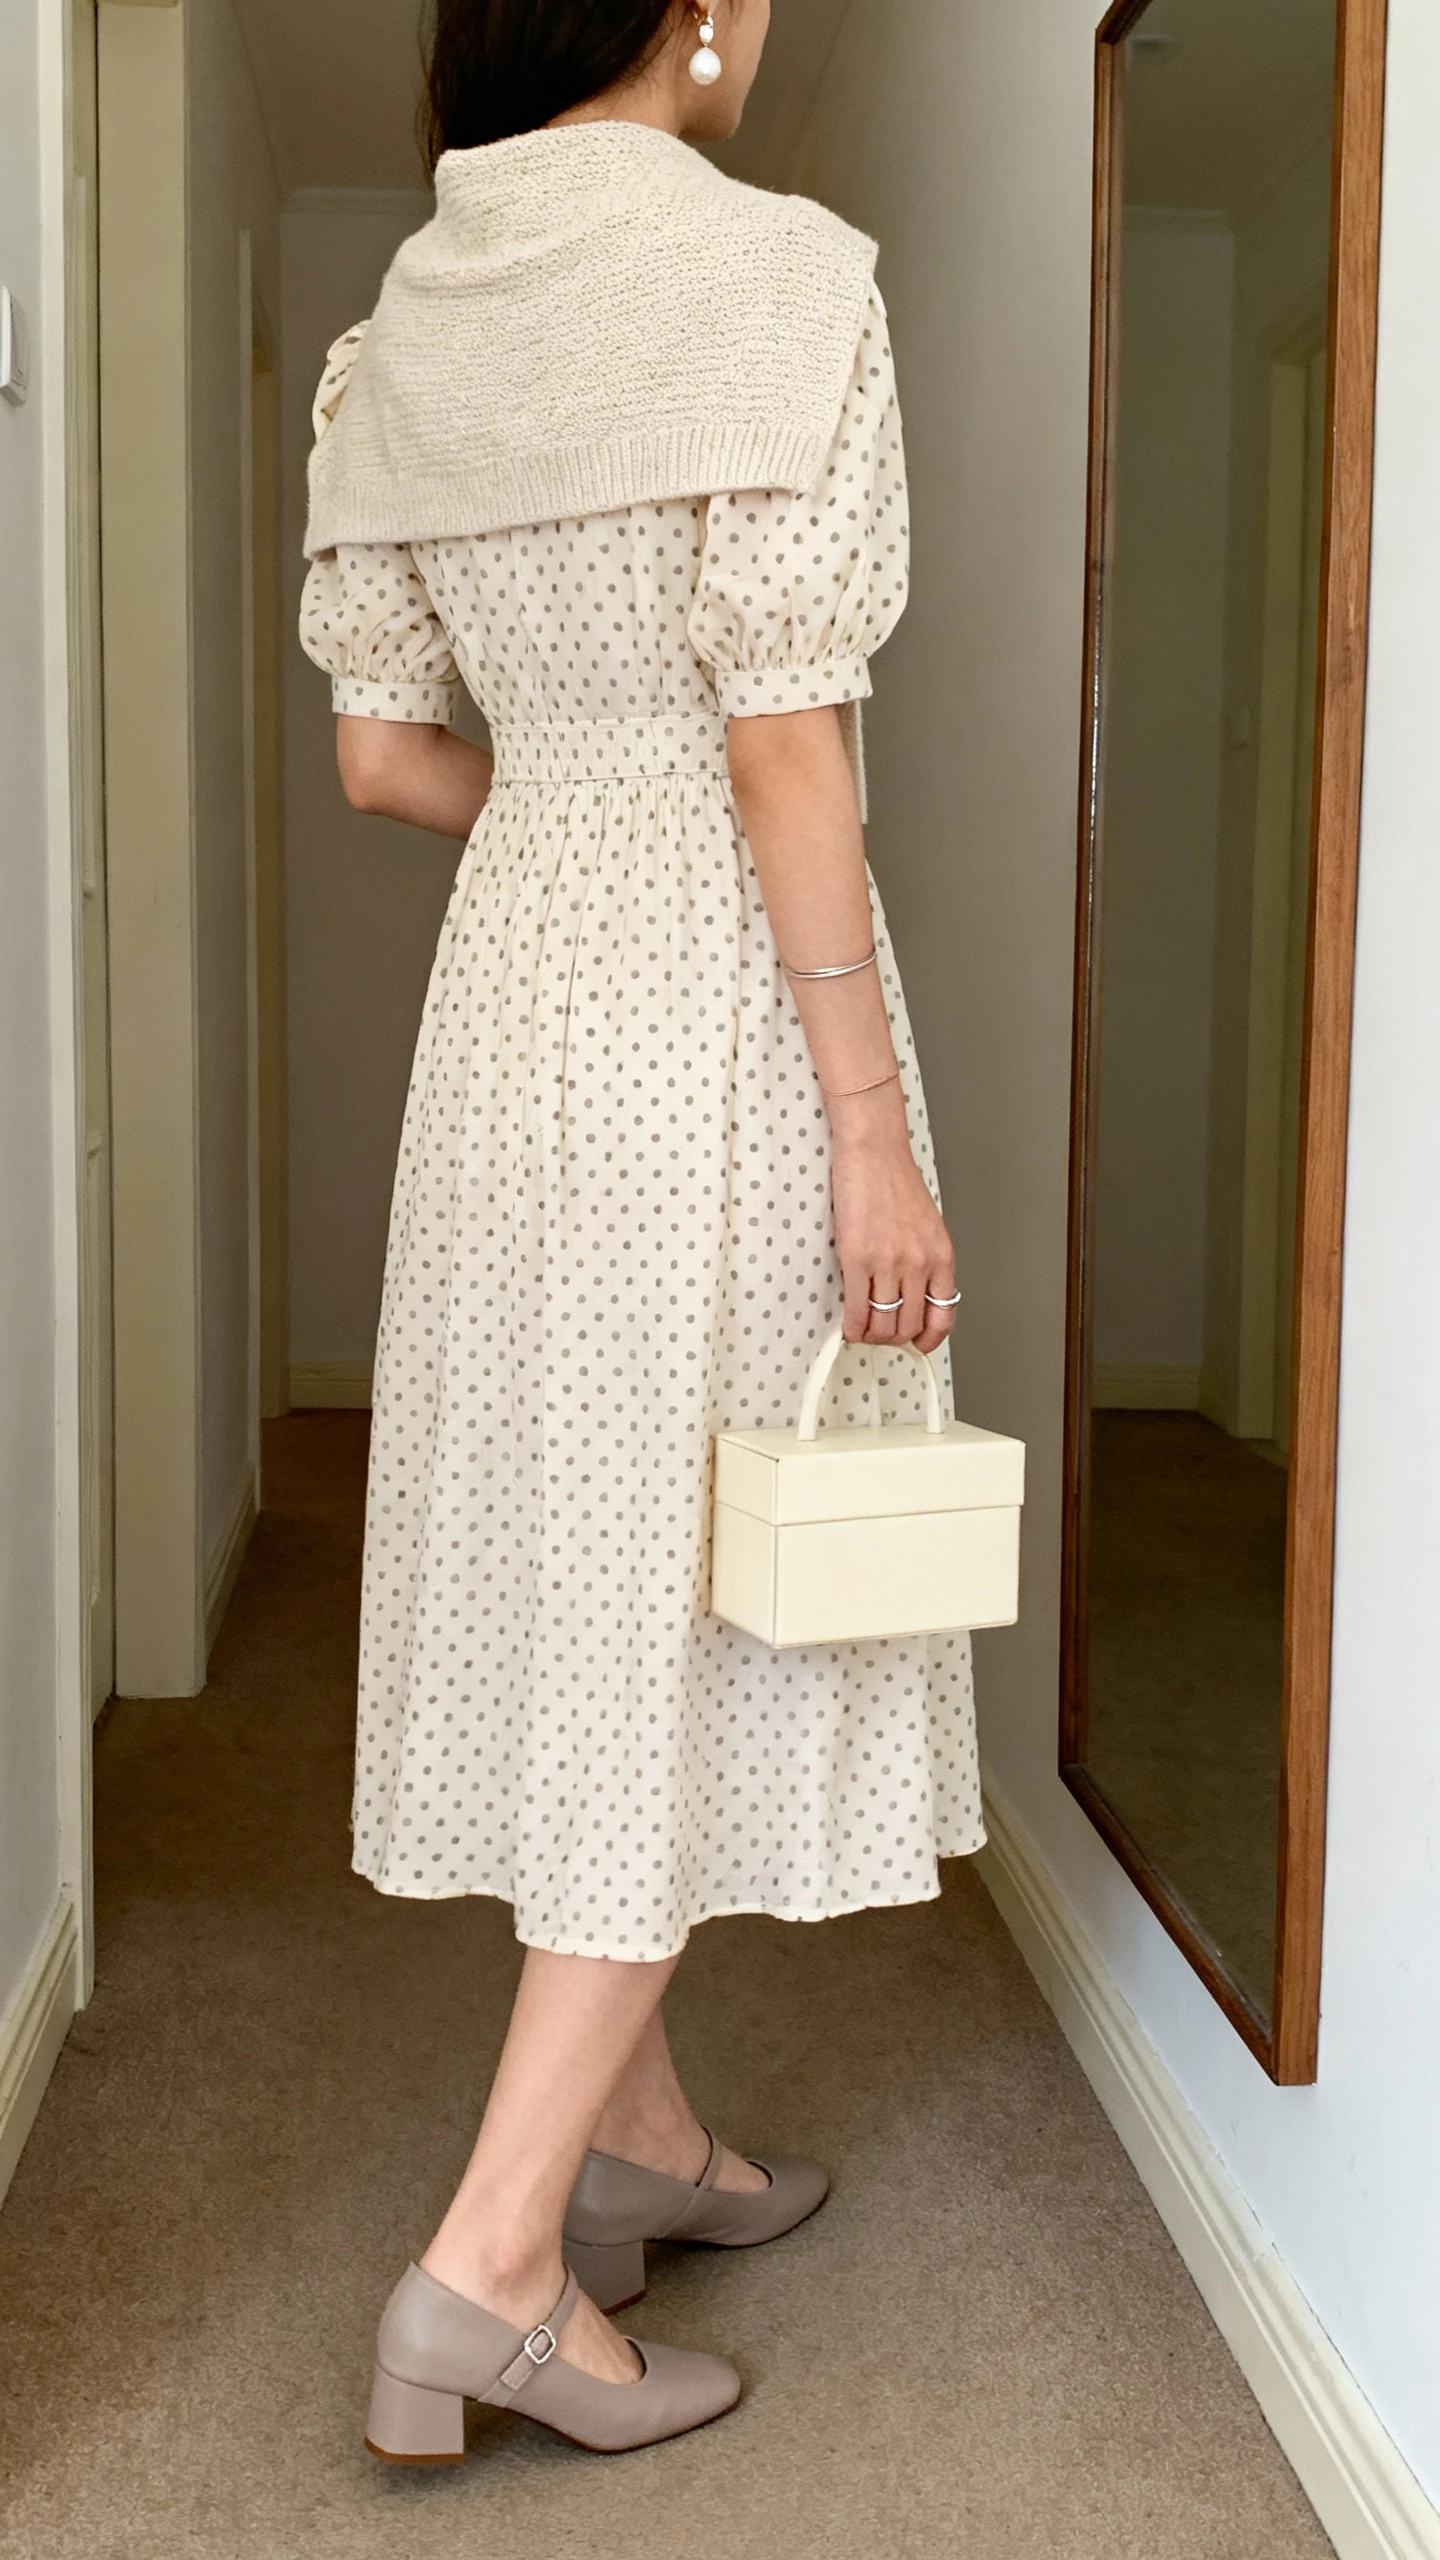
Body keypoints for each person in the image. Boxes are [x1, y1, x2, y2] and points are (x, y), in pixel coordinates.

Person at [299, 0, 982, 2464]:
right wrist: (873, 1120)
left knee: (591, 1560)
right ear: (702, 14)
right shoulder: (783, 275)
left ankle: (641, 2138)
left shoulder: (401, 337)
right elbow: (785, 737)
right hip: (717, 1010)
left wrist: (576, 820)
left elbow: (385, 753)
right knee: (685, 1599)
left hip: (513, 1027)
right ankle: (490, 2264)